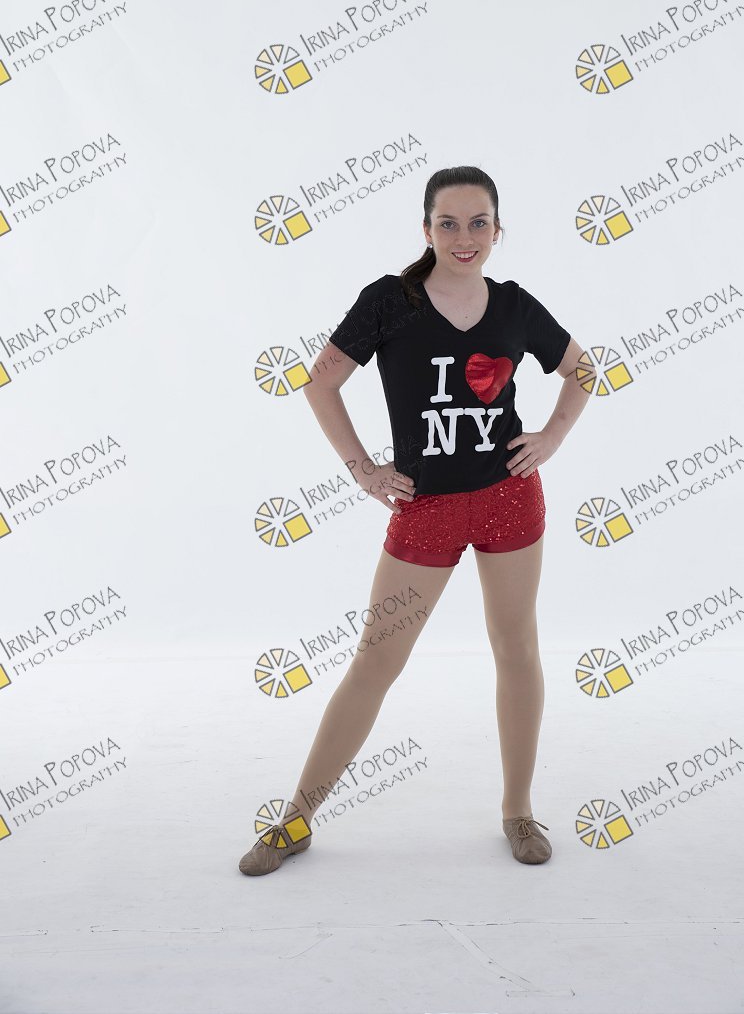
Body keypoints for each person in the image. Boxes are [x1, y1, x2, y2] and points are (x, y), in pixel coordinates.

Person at [239, 164, 594, 875]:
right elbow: (321, 381)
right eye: (448, 223)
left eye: (479, 223)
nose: (465, 237)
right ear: (426, 229)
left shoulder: (515, 305)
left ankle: (518, 811)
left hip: (508, 499)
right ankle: (295, 820)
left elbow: (582, 370)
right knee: (377, 660)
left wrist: (551, 438)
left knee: (516, 648)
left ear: (498, 230)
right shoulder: (390, 301)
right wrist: (362, 470)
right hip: (425, 508)